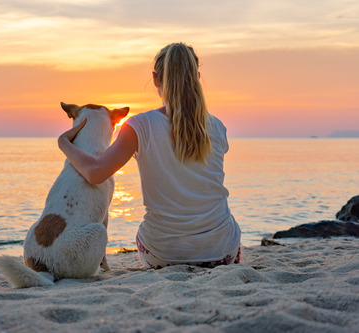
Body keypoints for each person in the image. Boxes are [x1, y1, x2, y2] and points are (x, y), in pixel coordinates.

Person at [58, 42, 241, 269]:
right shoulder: (217, 127)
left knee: (150, 234)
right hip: (221, 251)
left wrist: (64, 142)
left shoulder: (140, 126)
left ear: (156, 79)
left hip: (163, 253)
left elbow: (95, 173)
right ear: (197, 76)